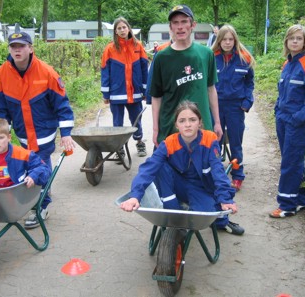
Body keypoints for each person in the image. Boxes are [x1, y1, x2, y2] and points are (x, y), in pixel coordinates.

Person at [120, 101, 244, 235]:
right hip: (175, 187)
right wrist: (135, 196)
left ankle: (221, 223)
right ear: (176, 125)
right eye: (182, 121)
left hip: (201, 187)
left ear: (200, 122)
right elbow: (147, 169)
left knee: (211, 212)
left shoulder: (209, 140)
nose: (188, 124)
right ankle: (174, 215)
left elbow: (218, 171)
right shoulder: (169, 143)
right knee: (158, 165)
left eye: (192, 119)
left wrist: (225, 198)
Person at [0, 31, 75, 228]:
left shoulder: (47, 73)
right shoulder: (1, 75)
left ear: (30, 48)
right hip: (22, 133)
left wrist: (65, 134)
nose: (17, 50)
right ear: (9, 50)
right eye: (13, 46)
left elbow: (62, 106)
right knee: (28, 166)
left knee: (38, 165)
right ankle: (38, 194)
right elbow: (1, 111)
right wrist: (2, 137)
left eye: (22, 46)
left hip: (43, 132)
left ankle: (40, 206)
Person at [150, 4, 223, 147]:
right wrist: (155, 129)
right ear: (170, 27)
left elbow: (211, 89)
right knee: (170, 167)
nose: (180, 27)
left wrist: (217, 122)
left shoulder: (206, 54)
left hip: (201, 125)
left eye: (184, 22)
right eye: (175, 23)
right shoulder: (161, 57)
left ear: (192, 25)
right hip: (171, 127)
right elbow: (156, 96)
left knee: (203, 167)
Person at [270, 24, 305, 218]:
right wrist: (278, 111)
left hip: (297, 123)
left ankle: (287, 205)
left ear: (304, 42)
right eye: (292, 38)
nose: (295, 41)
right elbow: (282, 92)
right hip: (283, 119)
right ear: (286, 41)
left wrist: (297, 119)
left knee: (290, 163)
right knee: (293, 160)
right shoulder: (288, 64)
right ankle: (302, 198)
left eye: (299, 38)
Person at [211, 25, 255, 191]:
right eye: (224, 39)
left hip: (236, 108)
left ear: (235, 40)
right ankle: (216, 175)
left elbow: (250, 83)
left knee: (236, 143)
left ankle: (237, 175)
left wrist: (247, 103)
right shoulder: (211, 57)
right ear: (219, 40)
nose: (227, 42)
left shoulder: (244, 58)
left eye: (231, 39)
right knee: (215, 141)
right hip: (216, 106)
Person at [101, 17, 149, 159]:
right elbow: (105, 70)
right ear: (115, 31)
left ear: (129, 28)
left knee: (136, 119)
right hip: (117, 93)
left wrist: (145, 90)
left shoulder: (138, 46)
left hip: (135, 92)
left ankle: (140, 142)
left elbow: (144, 69)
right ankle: (119, 149)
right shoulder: (110, 49)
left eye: (124, 27)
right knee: (117, 123)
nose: (122, 30)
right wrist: (106, 93)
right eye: (119, 28)